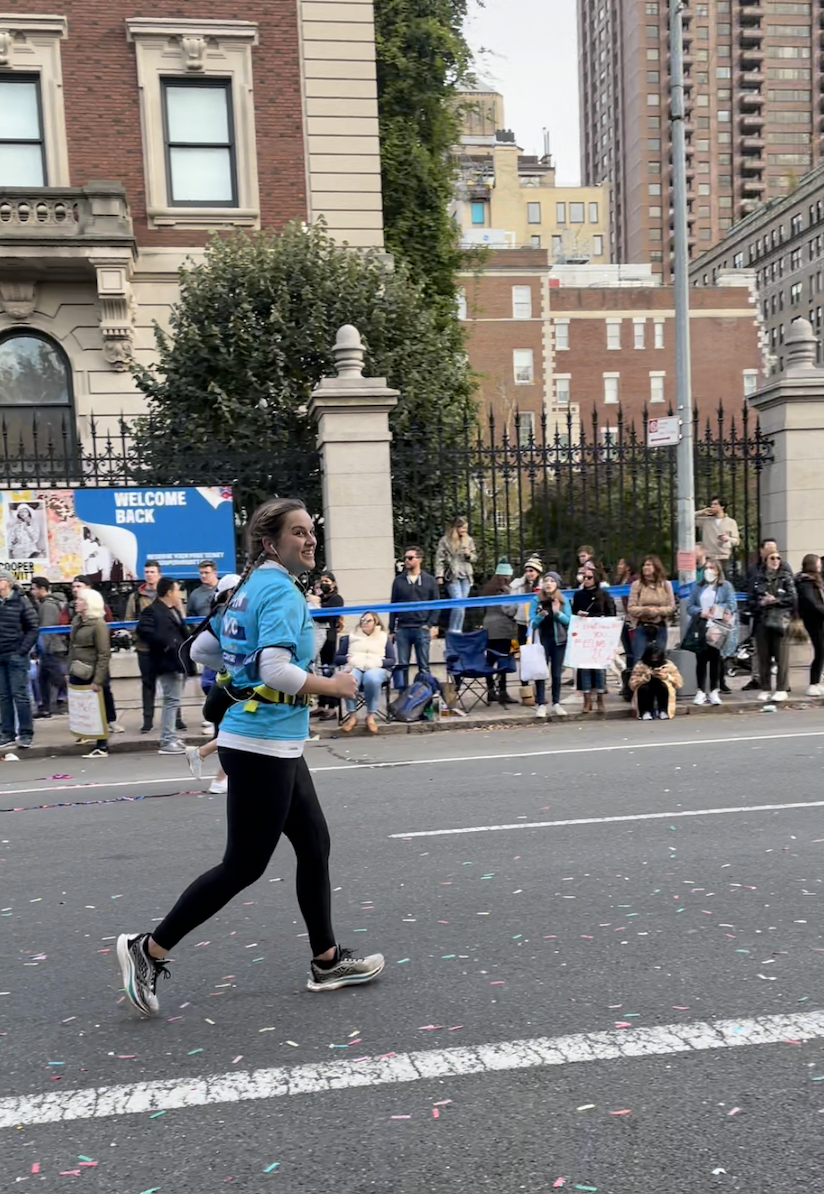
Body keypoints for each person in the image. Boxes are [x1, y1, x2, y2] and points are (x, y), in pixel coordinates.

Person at [116, 497, 384, 1016]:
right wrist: (337, 683)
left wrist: (242, 670)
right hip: (262, 744)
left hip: (266, 739)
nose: (309, 540)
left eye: (311, 532)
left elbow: (201, 652)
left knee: (314, 842)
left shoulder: (245, 588)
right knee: (243, 865)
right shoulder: (280, 591)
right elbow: (276, 671)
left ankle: (327, 960)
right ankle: (147, 949)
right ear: (270, 542)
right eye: (298, 533)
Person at [185, 573, 241, 794]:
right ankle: (219, 776)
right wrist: (228, 666)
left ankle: (203, 757)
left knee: (239, 730)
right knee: (238, 730)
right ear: (228, 594)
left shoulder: (228, 615)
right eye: (238, 590)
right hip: (230, 685)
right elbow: (197, 651)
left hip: (230, 683)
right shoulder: (223, 617)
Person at [137, 577, 189, 754]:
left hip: (178, 661)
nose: (179, 595)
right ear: (169, 592)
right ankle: (167, 740)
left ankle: (171, 736)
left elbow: (183, 632)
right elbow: (143, 631)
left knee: (174, 701)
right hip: (166, 661)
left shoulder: (174, 609)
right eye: (176, 591)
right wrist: (168, 644)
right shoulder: (152, 610)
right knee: (170, 701)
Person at [747, 545, 796, 702]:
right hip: (762, 621)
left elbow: (793, 598)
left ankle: (781, 688)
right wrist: (761, 603)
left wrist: (775, 600)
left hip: (780, 621)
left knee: (781, 656)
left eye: (778, 558)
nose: (775, 561)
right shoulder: (758, 579)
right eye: (772, 558)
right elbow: (751, 601)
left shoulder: (785, 577)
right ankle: (766, 687)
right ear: (766, 560)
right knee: (764, 657)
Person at [687, 558, 737, 706]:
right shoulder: (698, 587)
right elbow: (689, 606)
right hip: (702, 626)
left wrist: (719, 608)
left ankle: (714, 690)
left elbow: (732, 603)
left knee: (715, 658)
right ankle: (701, 691)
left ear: (718, 571)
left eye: (712, 568)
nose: (708, 571)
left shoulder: (725, 586)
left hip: (717, 626)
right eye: (706, 568)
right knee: (701, 660)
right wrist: (700, 611)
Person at [68, 588, 112, 758]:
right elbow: (72, 647)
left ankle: (102, 746)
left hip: (92, 671)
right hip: (77, 669)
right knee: (84, 708)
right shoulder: (77, 620)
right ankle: (88, 737)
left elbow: (104, 653)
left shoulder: (98, 624)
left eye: (79, 600)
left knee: (98, 708)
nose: (76, 602)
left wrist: (98, 679)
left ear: (88, 604)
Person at [389, 546, 439, 689]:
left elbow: (436, 604)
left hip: (421, 627)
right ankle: (403, 699)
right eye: (405, 558)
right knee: (402, 665)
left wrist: (429, 624)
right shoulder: (398, 581)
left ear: (419, 559)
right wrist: (392, 629)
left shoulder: (429, 580)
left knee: (424, 666)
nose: (407, 561)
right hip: (403, 628)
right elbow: (393, 605)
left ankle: (425, 699)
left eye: (410, 558)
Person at [0, 569, 38, 751]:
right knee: (3, 696)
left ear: (7, 582)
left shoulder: (21, 601)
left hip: (16, 654)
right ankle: (6, 733)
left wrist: (22, 650)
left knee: (20, 695)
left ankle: (25, 733)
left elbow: (33, 628)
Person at [340, 611, 395, 734]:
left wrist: (379, 662)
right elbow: (338, 658)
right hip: (355, 665)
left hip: (376, 667)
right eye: (362, 620)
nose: (364, 623)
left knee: (372, 678)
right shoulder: (351, 636)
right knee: (348, 678)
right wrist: (348, 659)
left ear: (376, 623)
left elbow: (392, 660)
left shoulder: (383, 637)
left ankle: (370, 715)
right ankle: (352, 715)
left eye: (368, 620)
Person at [571, 561, 616, 714]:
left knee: (599, 667)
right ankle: (587, 699)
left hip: (599, 635)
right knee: (584, 667)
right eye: (584, 577)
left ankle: (600, 699)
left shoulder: (603, 594)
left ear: (595, 578)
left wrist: (598, 617)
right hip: (584, 635)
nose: (586, 580)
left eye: (589, 577)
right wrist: (579, 614)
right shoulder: (578, 595)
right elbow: (573, 613)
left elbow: (611, 613)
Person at [126, 560, 163, 734]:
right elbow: (129, 622)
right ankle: (147, 720)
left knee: (170, 684)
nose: (149, 574)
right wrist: (140, 635)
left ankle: (176, 718)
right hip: (145, 648)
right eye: (147, 571)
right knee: (148, 684)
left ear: (159, 574)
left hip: (164, 648)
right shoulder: (135, 597)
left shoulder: (166, 593)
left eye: (152, 571)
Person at [528, 571, 570, 719]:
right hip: (542, 640)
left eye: (552, 581)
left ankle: (556, 702)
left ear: (557, 584)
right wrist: (540, 616)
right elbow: (532, 623)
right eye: (546, 580)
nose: (548, 583)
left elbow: (569, 622)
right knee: (541, 672)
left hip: (559, 640)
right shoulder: (536, 600)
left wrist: (558, 613)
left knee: (556, 673)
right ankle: (541, 703)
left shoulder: (563, 600)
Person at [31, 576, 69, 718]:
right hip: (53, 647)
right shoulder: (52, 603)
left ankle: (57, 704)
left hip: (50, 648)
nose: (32, 592)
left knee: (55, 678)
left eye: (34, 589)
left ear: (42, 589)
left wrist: (42, 649)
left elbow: (46, 629)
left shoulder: (47, 606)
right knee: (44, 679)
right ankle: (47, 707)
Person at [481, 560, 518, 706]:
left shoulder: (488, 589)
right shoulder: (505, 590)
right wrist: (518, 608)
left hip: (488, 627)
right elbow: (508, 610)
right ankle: (502, 692)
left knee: (490, 660)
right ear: (507, 576)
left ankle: (491, 690)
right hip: (502, 629)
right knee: (503, 660)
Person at [627, 555, 676, 665]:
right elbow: (631, 608)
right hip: (642, 626)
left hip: (660, 626)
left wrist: (657, 611)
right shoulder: (637, 585)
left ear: (656, 567)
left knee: (658, 660)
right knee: (639, 660)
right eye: (644, 565)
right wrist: (646, 610)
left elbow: (671, 607)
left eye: (649, 565)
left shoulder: (666, 585)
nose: (645, 567)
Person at [435, 516, 477, 634]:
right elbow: (439, 559)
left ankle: (458, 630)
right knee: (458, 603)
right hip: (452, 575)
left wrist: (469, 555)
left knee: (462, 604)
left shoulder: (468, 540)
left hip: (466, 575)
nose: (464, 530)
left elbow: (474, 558)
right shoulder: (445, 541)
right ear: (456, 528)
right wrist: (439, 575)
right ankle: (454, 630)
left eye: (466, 528)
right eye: (462, 528)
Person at [313, 571, 345, 721]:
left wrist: (318, 605)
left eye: (327, 581)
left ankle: (332, 707)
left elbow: (326, 616)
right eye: (322, 581)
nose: (323, 584)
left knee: (329, 671)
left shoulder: (336, 599)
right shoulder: (318, 598)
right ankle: (321, 705)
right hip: (317, 636)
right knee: (319, 671)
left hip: (329, 638)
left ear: (334, 584)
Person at [795, 553, 824, 696]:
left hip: (819, 619)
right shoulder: (805, 582)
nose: (820, 566)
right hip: (813, 620)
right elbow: (812, 603)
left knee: (821, 651)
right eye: (818, 563)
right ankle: (812, 683)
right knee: (820, 650)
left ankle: (817, 682)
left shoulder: (815, 580)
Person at [630, 643, 683, 721]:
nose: (654, 660)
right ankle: (645, 712)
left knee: (663, 686)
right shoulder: (640, 665)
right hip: (646, 687)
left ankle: (663, 710)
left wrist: (666, 677)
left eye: (657, 658)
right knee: (644, 688)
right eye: (652, 658)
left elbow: (679, 683)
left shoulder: (669, 665)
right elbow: (632, 684)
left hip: (662, 687)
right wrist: (646, 677)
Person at [696, 496, 740, 580]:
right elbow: (686, 519)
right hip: (709, 556)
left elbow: (737, 541)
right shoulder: (705, 521)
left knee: (725, 581)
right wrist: (701, 512)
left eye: (715, 504)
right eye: (711, 504)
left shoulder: (731, 522)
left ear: (722, 507)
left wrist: (728, 539)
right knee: (708, 580)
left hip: (724, 557)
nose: (712, 506)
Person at [509, 556, 543, 646]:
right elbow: (511, 590)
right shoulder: (520, 584)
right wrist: (521, 580)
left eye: (531, 571)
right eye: (526, 571)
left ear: (538, 572)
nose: (528, 574)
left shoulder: (543, 585)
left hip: (538, 620)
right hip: (522, 620)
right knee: (523, 645)